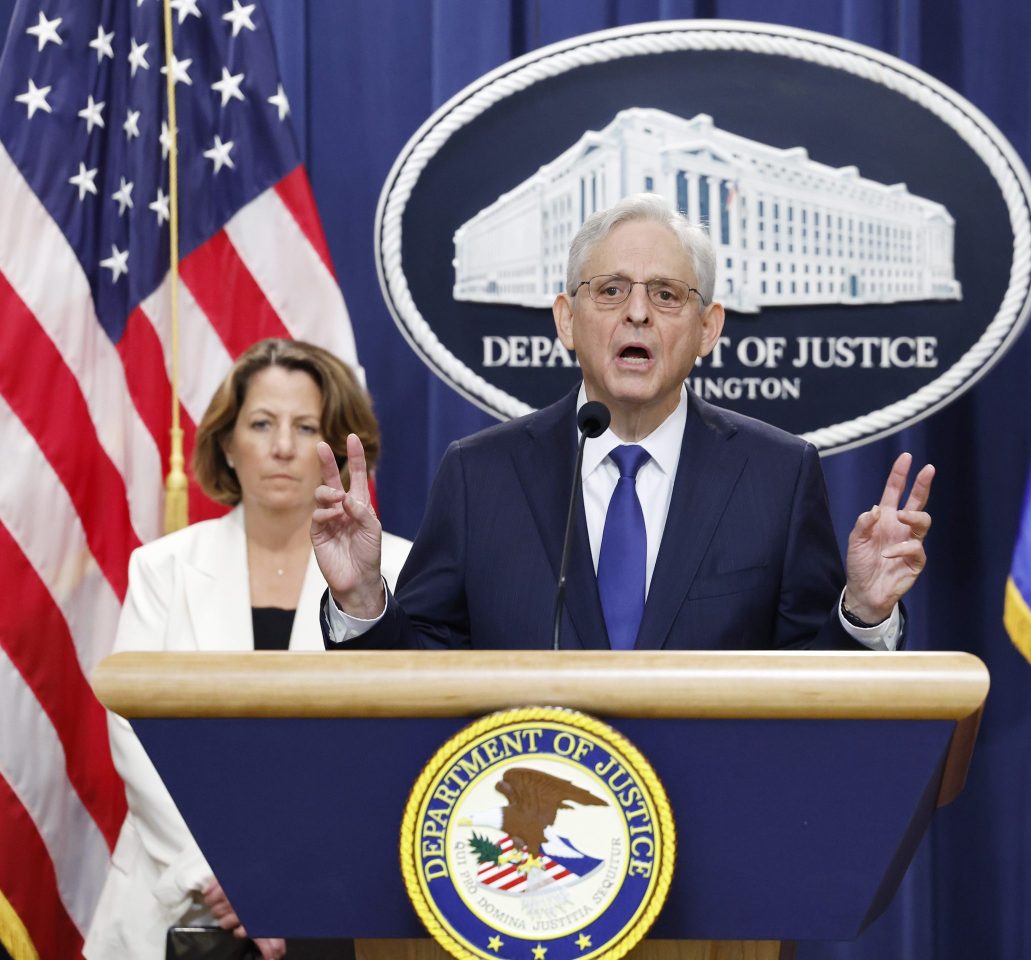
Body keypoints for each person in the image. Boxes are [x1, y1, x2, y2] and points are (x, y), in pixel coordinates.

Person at [314, 193, 933, 653]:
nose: (637, 313)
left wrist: (863, 611)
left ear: (708, 329)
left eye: (666, 294)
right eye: (610, 290)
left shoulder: (777, 475)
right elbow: (420, 677)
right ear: (566, 319)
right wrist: (362, 600)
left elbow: (816, 686)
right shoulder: (480, 475)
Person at [85, 339, 412, 960]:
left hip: (342, 896)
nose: (282, 446)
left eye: (305, 427)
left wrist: (290, 874)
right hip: (183, 897)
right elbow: (132, 727)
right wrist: (217, 868)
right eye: (261, 424)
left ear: (335, 445)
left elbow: (390, 746)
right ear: (228, 444)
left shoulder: (396, 568)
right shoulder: (163, 568)